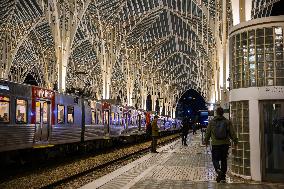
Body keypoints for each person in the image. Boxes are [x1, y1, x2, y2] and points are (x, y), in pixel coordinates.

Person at [204, 107, 238, 183]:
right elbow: (232, 133)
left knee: (215, 159)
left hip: (215, 144)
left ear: (216, 113)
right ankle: (223, 177)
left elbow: (207, 133)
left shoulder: (212, 122)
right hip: (225, 144)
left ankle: (218, 170)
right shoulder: (227, 122)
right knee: (224, 160)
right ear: (223, 113)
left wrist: (206, 141)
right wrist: (235, 141)